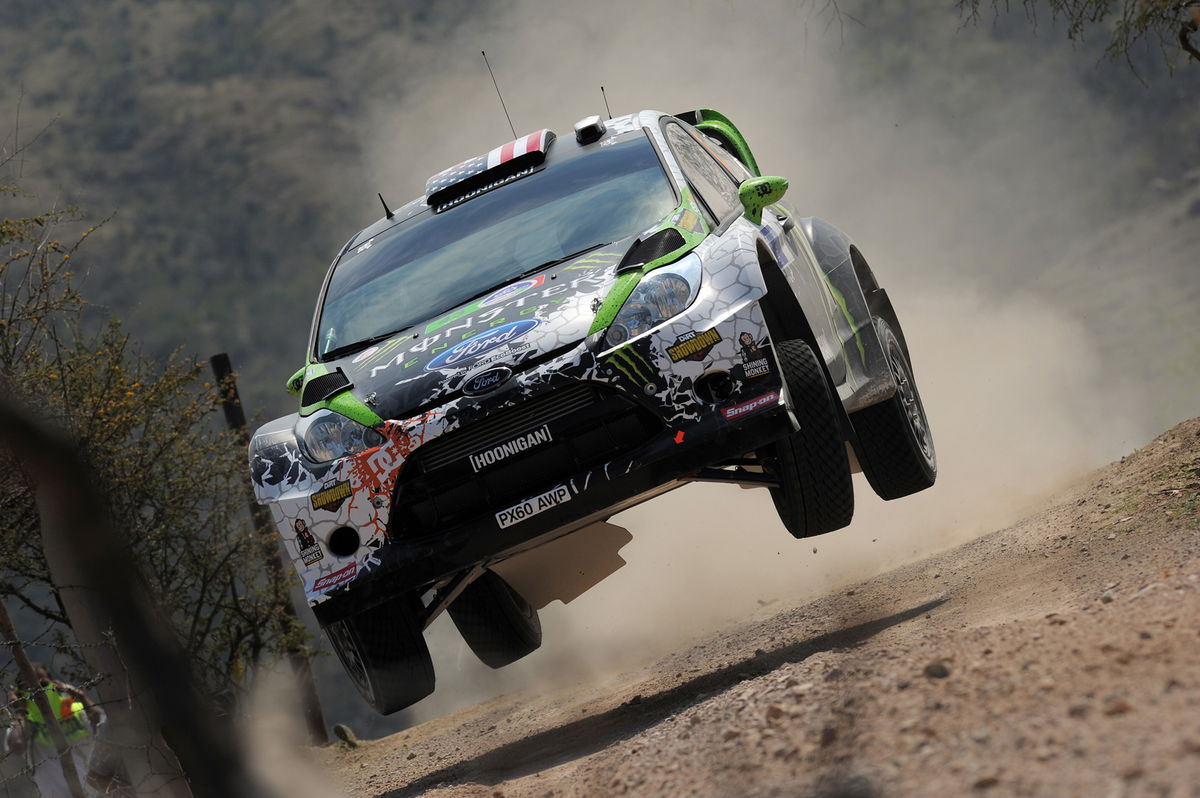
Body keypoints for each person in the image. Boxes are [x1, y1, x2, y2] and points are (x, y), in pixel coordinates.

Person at [5, 663, 103, 798]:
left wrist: (79, 694)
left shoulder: (72, 709)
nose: (38, 690)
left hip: (99, 792)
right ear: (19, 694)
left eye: (43, 684)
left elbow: (102, 722)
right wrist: (20, 711)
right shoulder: (23, 723)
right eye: (29, 687)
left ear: (55, 683)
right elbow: (17, 746)